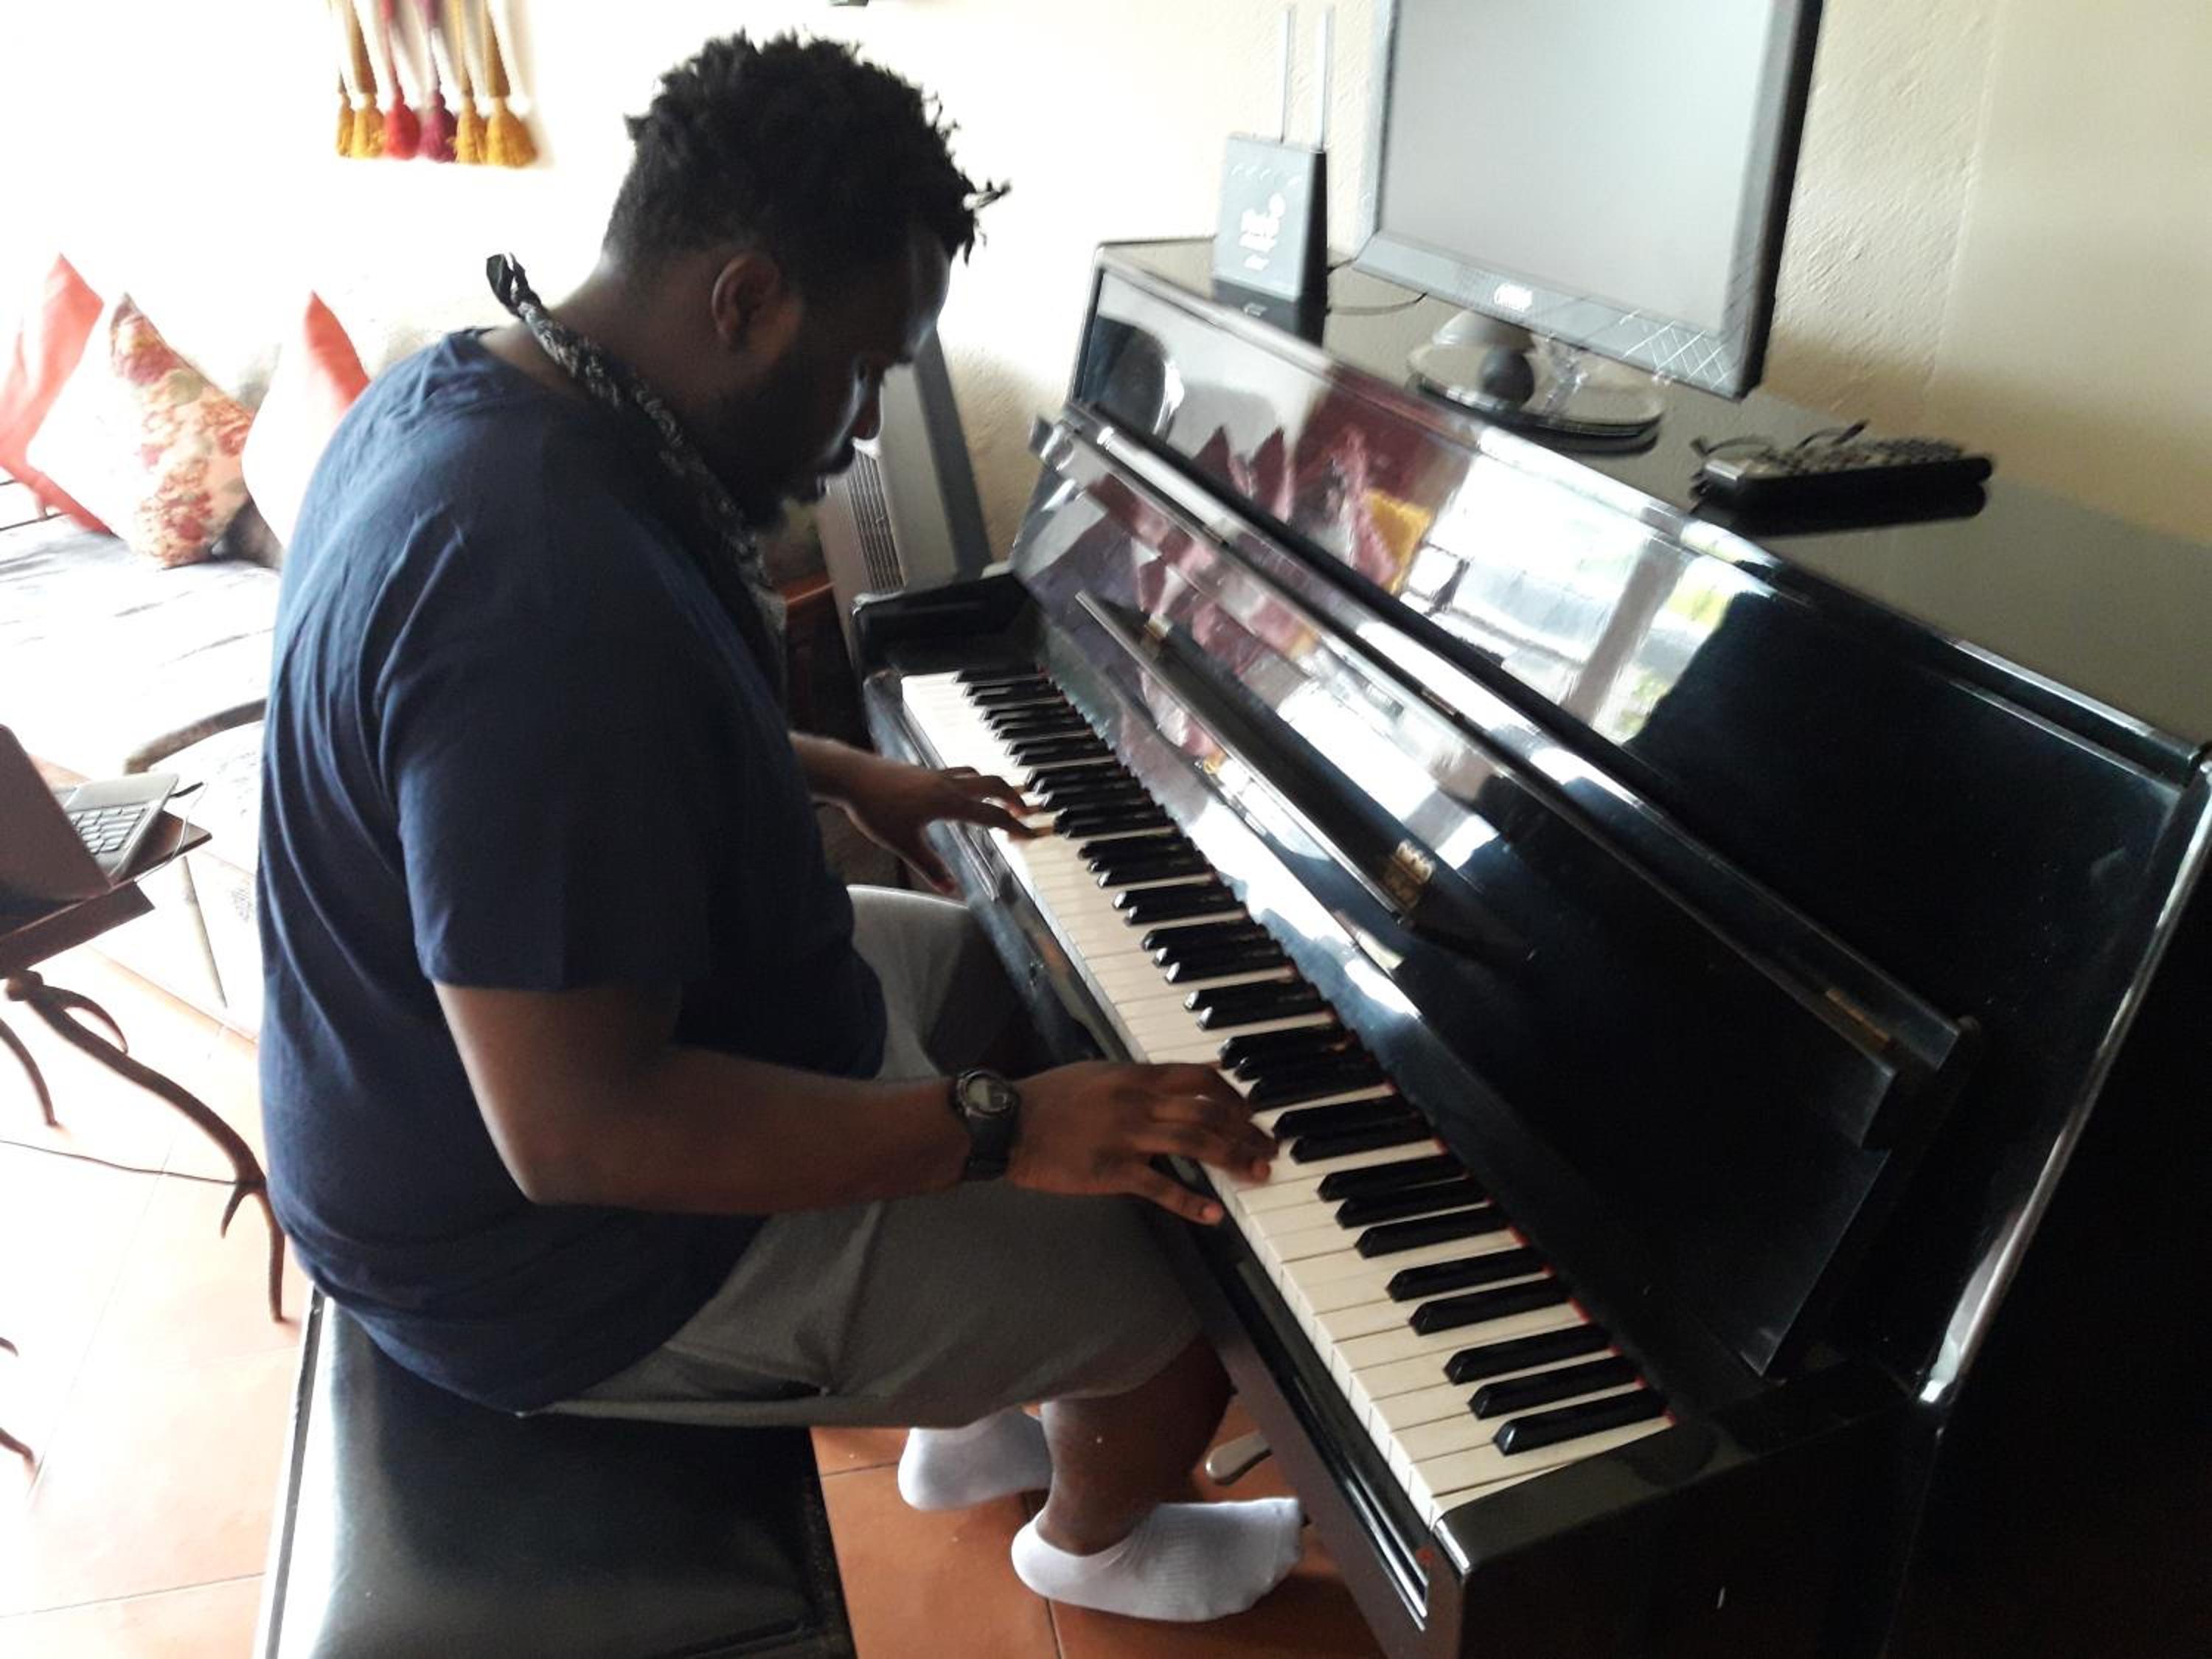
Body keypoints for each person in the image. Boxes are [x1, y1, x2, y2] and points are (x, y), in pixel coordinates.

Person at [257, 32, 1307, 1624]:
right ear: (744, 300)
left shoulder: (493, 388)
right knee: (1196, 1278)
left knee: (1006, 984)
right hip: (547, 1249)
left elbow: (574, 762)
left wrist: (836, 772)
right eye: (864, 369)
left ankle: (969, 1413)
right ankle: (1092, 1544)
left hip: (577, 1042)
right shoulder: (535, 594)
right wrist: (1003, 1131)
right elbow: (583, 1134)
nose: (867, 424)